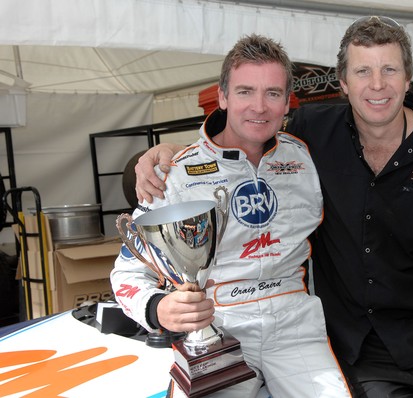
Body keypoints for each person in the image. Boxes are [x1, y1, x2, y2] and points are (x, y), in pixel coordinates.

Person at [134, 17, 413, 398]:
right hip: (357, 353)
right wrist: (173, 156)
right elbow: (249, 131)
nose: (377, 85)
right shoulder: (311, 132)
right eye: (363, 72)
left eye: (390, 70)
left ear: (408, 78)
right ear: (343, 82)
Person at [111, 34, 351, 398]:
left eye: (272, 93)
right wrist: (158, 308)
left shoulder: (306, 158)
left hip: (295, 329)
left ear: (288, 102)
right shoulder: (175, 174)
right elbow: (128, 272)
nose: (259, 106)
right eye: (244, 92)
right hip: (218, 327)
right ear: (222, 97)